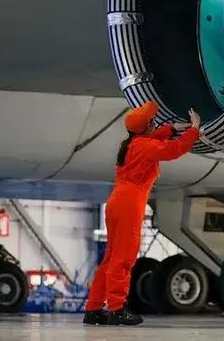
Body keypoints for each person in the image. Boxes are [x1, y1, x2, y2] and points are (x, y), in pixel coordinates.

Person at [83, 101, 201, 326]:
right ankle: (117, 310)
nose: (155, 122)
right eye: (152, 121)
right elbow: (173, 150)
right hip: (130, 203)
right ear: (147, 127)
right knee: (124, 259)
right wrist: (194, 129)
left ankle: (94, 309)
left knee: (110, 259)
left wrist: (174, 129)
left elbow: (155, 139)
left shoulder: (131, 144)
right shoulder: (144, 147)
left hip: (116, 201)